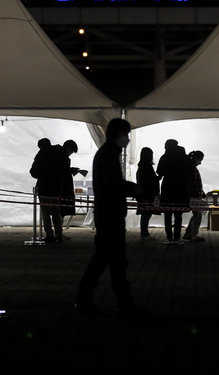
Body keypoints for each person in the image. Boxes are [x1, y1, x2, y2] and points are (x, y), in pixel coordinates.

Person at [75, 118, 144, 317]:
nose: (127, 140)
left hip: (108, 213)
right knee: (111, 261)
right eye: (126, 135)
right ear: (117, 134)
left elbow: (113, 183)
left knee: (108, 260)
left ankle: (95, 302)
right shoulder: (107, 156)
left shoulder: (108, 154)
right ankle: (117, 304)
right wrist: (134, 189)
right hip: (109, 214)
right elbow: (113, 185)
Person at [157, 139, 192, 244]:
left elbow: (159, 171)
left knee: (167, 214)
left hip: (168, 188)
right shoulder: (185, 157)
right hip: (181, 188)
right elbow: (190, 172)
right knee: (178, 214)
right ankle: (177, 237)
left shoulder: (165, 157)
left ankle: (169, 237)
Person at [30, 141, 64, 243]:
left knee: (45, 213)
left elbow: (33, 172)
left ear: (41, 146)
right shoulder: (59, 153)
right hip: (57, 187)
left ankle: (49, 234)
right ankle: (59, 233)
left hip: (44, 187)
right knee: (56, 212)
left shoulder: (41, 155)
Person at [59, 139, 85, 240]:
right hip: (63, 187)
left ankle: (58, 232)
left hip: (63, 186)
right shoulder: (62, 157)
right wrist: (71, 170)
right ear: (67, 148)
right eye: (71, 151)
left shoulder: (61, 156)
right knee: (60, 211)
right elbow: (63, 171)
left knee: (60, 212)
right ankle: (58, 233)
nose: (70, 154)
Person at [136, 147, 160, 241]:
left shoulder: (141, 166)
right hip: (148, 194)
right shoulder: (147, 166)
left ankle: (144, 233)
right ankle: (144, 233)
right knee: (146, 214)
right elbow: (150, 180)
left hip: (143, 194)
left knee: (145, 214)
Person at [184, 150, 206, 242]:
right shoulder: (192, 168)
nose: (200, 162)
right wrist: (199, 193)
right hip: (193, 195)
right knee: (198, 214)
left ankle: (188, 233)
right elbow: (193, 183)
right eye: (200, 159)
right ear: (196, 158)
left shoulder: (189, 166)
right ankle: (193, 234)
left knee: (196, 214)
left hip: (192, 194)